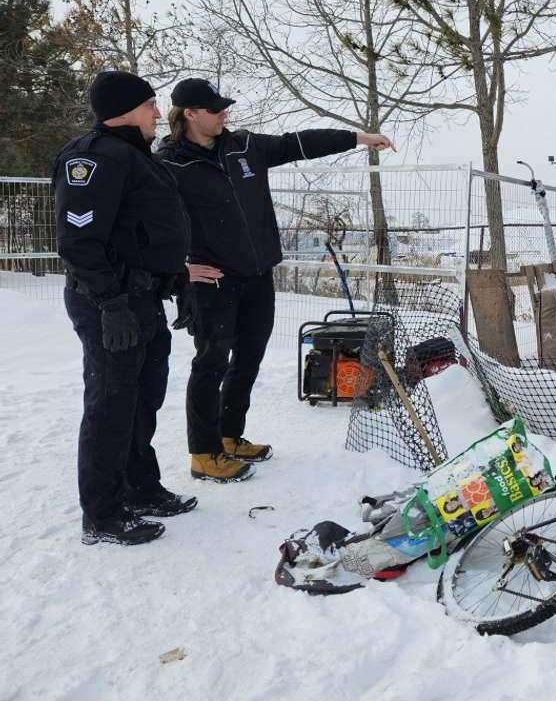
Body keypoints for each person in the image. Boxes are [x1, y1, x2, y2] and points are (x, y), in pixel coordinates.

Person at [158, 78, 395, 483]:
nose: (224, 114)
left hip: (257, 275)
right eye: (215, 110)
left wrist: (359, 137)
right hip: (213, 282)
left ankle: (229, 435)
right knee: (211, 363)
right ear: (190, 114)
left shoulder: (244, 147)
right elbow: (153, 225)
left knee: (248, 358)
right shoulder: (168, 165)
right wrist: (179, 271)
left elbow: (300, 142)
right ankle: (203, 452)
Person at [54, 70, 198, 546]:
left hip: (144, 296)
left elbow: (143, 233)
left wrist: (175, 281)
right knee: (111, 404)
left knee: (143, 397)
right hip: (108, 302)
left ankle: (140, 487)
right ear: (125, 109)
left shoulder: (136, 158)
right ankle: (103, 513)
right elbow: (79, 241)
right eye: (150, 105)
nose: (158, 113)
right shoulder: (91, 159)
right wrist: (111, 301)